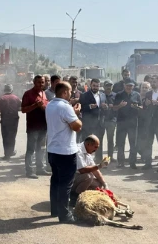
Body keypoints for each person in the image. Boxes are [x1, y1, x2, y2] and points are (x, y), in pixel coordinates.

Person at [46, 81, 83, 223]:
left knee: (56, 180)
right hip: (65, 151)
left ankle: (55, 210)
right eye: (70, 91)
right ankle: (65, 215)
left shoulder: (50, 104)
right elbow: (77, 127)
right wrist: (77, 114)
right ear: (65, 92)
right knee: (66, 184)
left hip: (53, 150)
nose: (72, 94)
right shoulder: (65, 107)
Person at [21, 75, 49, 178]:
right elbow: (23, 110)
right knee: (31, 150)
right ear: (34, 82)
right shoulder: (28, 94)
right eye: (39, 82)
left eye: (42, 82)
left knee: (41, 148)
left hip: (43, 126)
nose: (41, 84)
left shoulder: (43, 93)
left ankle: (40, 169)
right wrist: (35, 105)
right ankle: (29, 171)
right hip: (33, 126)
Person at [113, 81, 142, 168]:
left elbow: (142, 107)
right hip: (121, 122)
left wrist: (137, 107)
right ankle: (121, 162)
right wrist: (120, 106)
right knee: (121, 143)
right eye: (127, 85)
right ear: (124, 85)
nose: (129, 87)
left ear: (133, 86)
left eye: (130, 86)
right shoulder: (119, 95)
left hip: (133, 122)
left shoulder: (137, 95)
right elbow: (114, 108)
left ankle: (132, 162)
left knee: (133, 143)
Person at [80, 78, 109, 164]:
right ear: (90, 85)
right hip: (88, 124)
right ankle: (85, 161)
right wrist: (89, 106)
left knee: (99, 142)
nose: (95, 87)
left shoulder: (103, 95)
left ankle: (99, 160)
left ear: (100, 86)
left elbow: (105, 107)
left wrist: (106, 107)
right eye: (94, 86)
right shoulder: (84, 95)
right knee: (87, 142)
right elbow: (81, 108)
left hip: (100, 123)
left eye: (97, 86)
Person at [0, 84, 21, 160]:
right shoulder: (16, 98)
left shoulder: (1, 98)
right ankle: (11, 151)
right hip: (14, 120)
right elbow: (21, 108)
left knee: (5, 136)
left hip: (4, 120)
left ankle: (7, 154)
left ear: (4, 90)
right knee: (12, 136)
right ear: (12, 90)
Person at [136, 81, 152, 163]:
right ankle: (136, 153)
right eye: (143, 87)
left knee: (145, 139)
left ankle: (144, 155)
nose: (145, 89)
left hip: (147, 122)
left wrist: (148, 105)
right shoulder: (136, 96)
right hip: (136, 121)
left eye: (146, 88)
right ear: (140, 88)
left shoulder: (150, 98)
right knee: (137, 139)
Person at [102, 81, 117, 162]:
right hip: (101, 120)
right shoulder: (100, 95)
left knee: (110, 140)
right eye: (107, 86)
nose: (108, 87)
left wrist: (113, 106)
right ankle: (98, 157)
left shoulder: (115, 95)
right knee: (99, 140)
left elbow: (118, 107)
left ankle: (110, 157)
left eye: (110, 86)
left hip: (111, 120)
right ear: (104, 87)